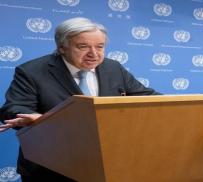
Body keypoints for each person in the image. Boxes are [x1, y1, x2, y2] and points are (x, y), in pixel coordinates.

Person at [0, 17, 160, 181]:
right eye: (83, 46)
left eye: (100, 46)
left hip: (106, 163)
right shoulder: (32, 71)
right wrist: (42, 120)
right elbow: (13, 108)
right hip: (51, 166)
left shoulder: (113, 68)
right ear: (62, 47)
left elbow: (149, 97)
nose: (94, 54)